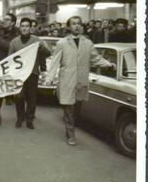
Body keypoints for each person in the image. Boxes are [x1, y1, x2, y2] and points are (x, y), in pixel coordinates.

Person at [45, 16, 115, 146]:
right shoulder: (63, 43)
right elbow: (55, 62)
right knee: (69, 108)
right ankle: (71, 134)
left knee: (76, 109)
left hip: (81, 80)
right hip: (67, 80)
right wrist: (49, 78)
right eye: (73, 24)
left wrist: (109, 64)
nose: (76, 26)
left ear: (81, 26)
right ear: (69, 27)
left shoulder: (88, 43)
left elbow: (96, 59)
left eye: (78, 24)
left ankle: (70, 128)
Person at [9, 18, 51, 129]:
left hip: (33, 73)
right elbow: (9, 59)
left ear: (30, 28)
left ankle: (29, 119)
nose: (24, 28)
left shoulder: (37, 40)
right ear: (20, 27)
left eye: (27, 26)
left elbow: (48, 53)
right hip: (19, 74)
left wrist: (41, 48)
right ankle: (20, 118)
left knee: (32, 98)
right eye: (22, 26)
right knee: (19, 97)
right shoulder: (14, 42)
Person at [0, 12, 19, 125]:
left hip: (11, 66)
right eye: (3, 19)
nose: (3, 21)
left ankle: (23, 116)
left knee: (15, 91)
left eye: (7, 20)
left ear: (12, 23)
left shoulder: (17, 34)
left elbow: (10, 46)